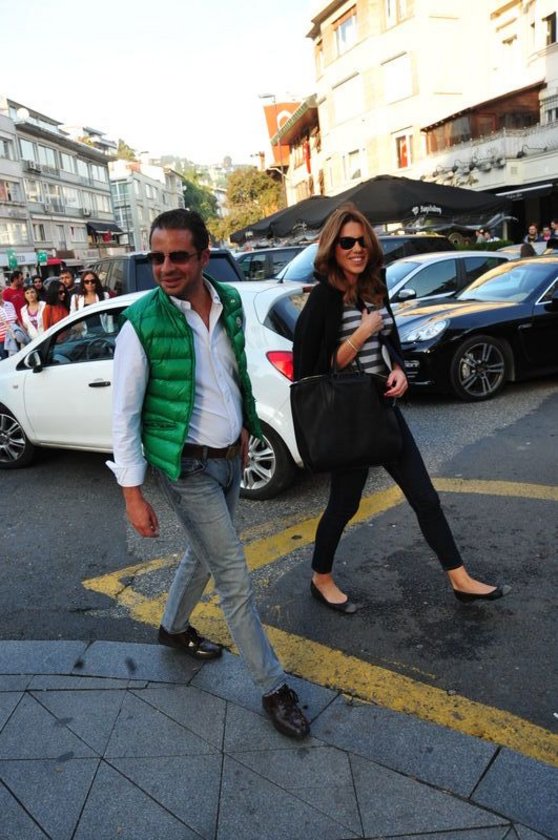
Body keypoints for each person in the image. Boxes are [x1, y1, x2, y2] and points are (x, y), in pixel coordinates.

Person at [106, 208, 309, 740]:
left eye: (178, 256)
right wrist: (132, 494)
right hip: (187, 468)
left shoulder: (229, 302)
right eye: (157, 257)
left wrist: (243, 426)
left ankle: (173, 629)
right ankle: (273, 687)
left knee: (204, 553)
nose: (166, 267)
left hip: (229, 458)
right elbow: (123, 416)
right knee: (233, 575)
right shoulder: (142, 324)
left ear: (203, 256)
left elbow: (232, 372)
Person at [293, 203, 510, 613]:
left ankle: (459, 578)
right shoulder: (323, 298)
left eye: (362, 241)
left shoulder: (375, 288)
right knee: (344, 503)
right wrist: (361, 332)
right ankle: (321, 577)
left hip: (383, 407)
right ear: (332, 248)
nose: (356, 249)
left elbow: (390, 341)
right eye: (347, 242)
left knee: (424, 496)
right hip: (349, 415)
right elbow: (312, 369)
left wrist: (397, 369)